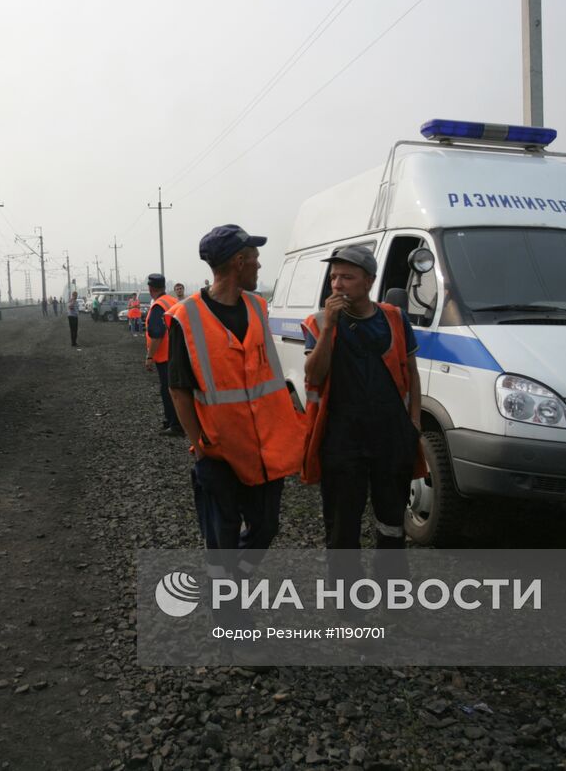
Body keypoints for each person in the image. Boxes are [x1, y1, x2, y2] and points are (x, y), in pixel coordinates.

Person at [167, 225, 305, 583]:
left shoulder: (258, 308)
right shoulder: (187, 318)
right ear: (238, 262)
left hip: (264, 447)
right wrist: (199, 443)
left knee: (266, 528)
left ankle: (233, 583)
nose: (260, 266)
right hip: (219, 450)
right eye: (255, 259)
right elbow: (179, 391)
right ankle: (226, 612)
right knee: (221, 538)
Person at [301, 245, 423, 585]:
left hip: (391, 438)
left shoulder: (395, 318)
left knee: (392, 525)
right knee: (343, 530)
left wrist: (413, 422)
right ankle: (350, 610)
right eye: (334, 276)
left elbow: (411, 372)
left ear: (369, 280)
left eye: (347, 277)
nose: (337, 284)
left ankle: (394, 600)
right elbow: (314, 374)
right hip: (343, 441)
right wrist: (330, 329)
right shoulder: (319, 322)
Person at [143, 273, 182, 435]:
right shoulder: (172, 301)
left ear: (151, 288)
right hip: (177, 353)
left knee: (168, 391)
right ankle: (175, 421)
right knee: (177, 389)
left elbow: (157, 334)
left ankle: (175, 425)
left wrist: (149, 357)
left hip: (165, 356)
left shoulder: (158, 305)